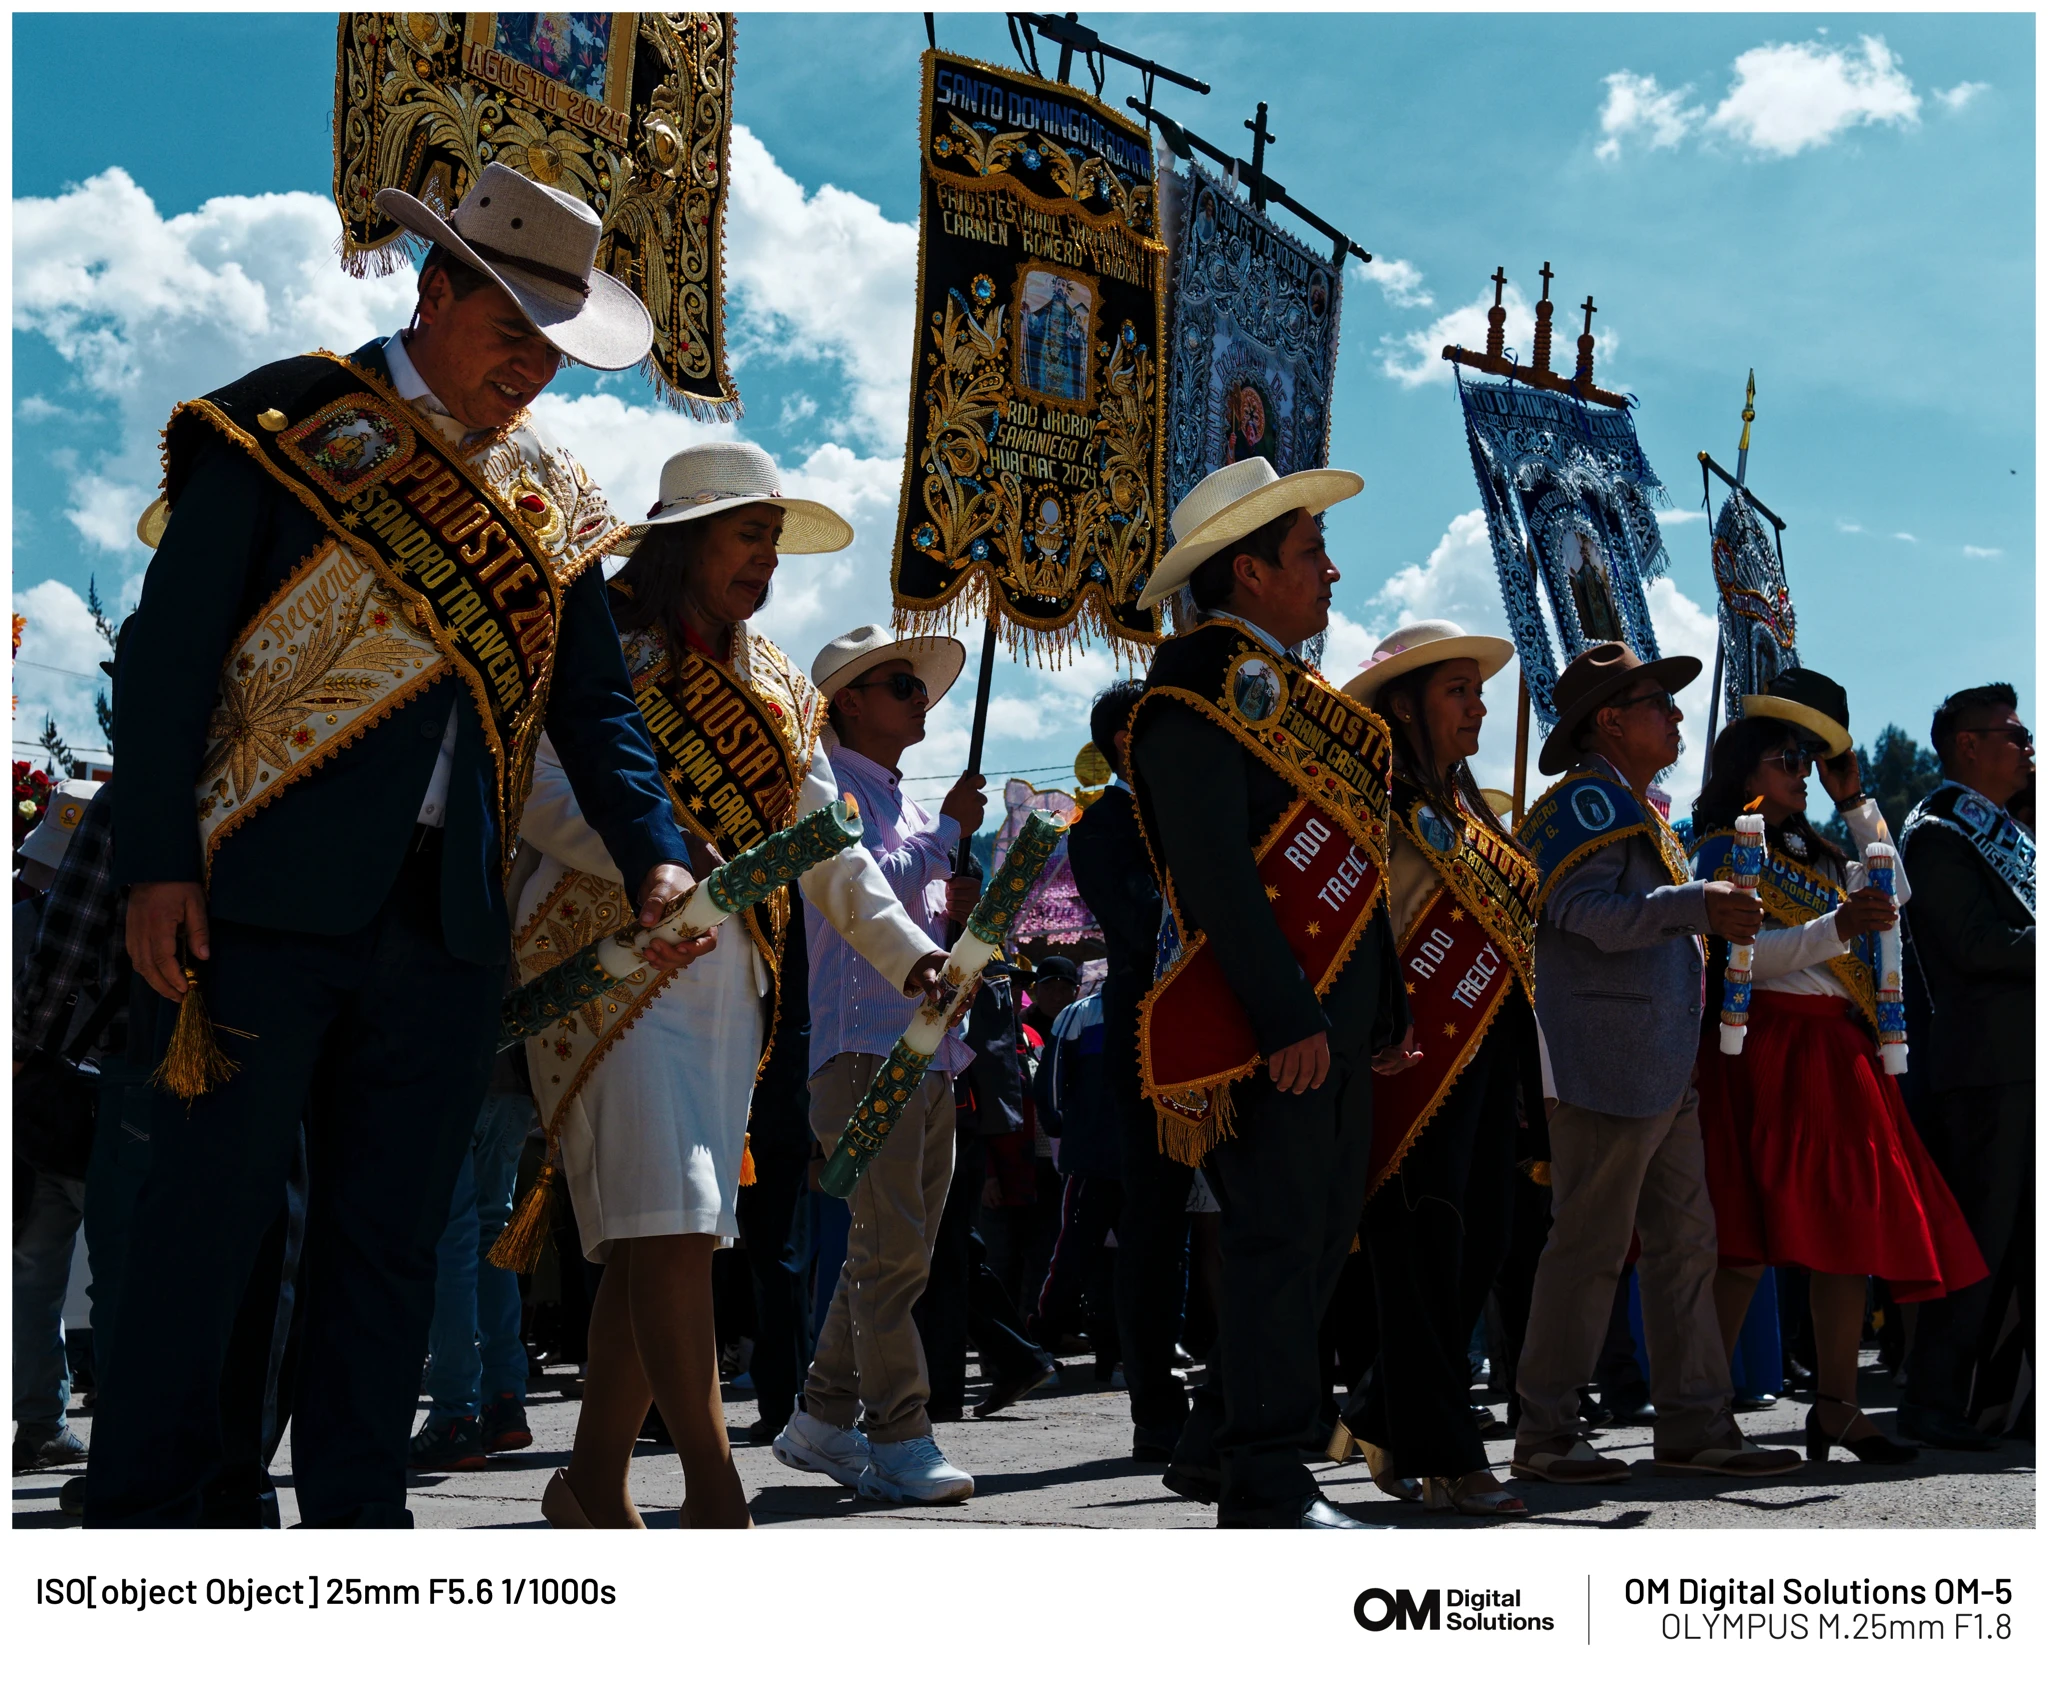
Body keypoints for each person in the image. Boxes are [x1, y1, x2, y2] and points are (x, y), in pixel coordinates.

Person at [88, 165, 703, 1529]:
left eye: (553, 351)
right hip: (247, 899)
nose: (532, 373)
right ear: (435, 292)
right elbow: (170, 653)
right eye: (511, 336)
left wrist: (651, 848)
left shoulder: (551, 499)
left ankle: (361, 1519)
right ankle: (162, 1515)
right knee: (210, 1232)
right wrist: (157, 861)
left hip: (442, 931)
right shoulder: (284, 421)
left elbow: (595, 704)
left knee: (384, 1243)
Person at [517, 447, 948, 1529]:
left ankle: (593, 1482)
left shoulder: (774, 686)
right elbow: (537, 784)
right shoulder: (593, 636)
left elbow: (827, 848)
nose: (763, 559)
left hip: (727, 979)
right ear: (684, 536)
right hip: (602, 955)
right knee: (666, 1222)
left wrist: (909, 953)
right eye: (744, 532)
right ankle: (715, 1494)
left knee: (668, 1226)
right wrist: (648, 855)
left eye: (770, 539)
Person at [1125, 456, 1411, 1528]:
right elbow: (1215, 878)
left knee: (1309, 1238)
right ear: (1247, 570)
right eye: (1308, 554)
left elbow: (1360, 859)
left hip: (1329, 1018)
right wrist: (1289, 1012)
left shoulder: (1303, 701)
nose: (1329, 572)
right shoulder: (1193, 691)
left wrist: (1374, 1008)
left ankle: (1222, 1439)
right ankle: (1265, 1480)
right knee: (1273, 1243)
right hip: (1265, 1024)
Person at [1510, 642, 1801, 1485]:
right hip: (1606, 1061)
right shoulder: (1589, 806)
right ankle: (1547, 1430)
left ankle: (1695, 1421)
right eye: (1658, 704)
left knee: (1685, 1244)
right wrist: (1694, 903)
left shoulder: (1628, 804)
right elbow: (1577, 909)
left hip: (1657, 1061)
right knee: (1593, 1246)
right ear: (1610, 720)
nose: (1677, 716)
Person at [1692, 674, 1986, 1464]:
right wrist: (1836, 926)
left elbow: (1901, 893)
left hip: (1836, 1049)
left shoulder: (1821, 851)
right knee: (1747, 1233)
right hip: (1765, 1048)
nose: (1801, 768)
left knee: (1848, 1232)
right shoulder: (1720, 847)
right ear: (1746, 770)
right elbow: (1738, 962)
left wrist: (1856, 802)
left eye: (1806, 758)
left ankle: (1838, 1407)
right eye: (1786, 757)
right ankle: (1703, 1413)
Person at [773, 625, 990, 1506]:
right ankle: (899, 1428)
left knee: (892, 1247)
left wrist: (953, 884)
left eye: (917, 685)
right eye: (901, 684)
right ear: (848, 703)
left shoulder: (896, 795)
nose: (919, 697)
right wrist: (946, 838)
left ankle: (824, 1414)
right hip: (867, 1049)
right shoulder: (831, 788)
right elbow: (862, 871)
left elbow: (912, 894)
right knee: (892, 1248)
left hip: (921, 1050)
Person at [1334, 620, 1541, 1516]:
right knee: (1426, 1246)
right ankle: (1449, 1453)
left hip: (1486, 1050)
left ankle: (1386, 1411)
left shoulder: (1470, 809)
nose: (1480, 704)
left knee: (1484, 1239)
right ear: (1406, 702)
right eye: (1458, 689)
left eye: (1479, 688)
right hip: (1412, 1054)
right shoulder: (1367, 793)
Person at [1899, 682, 2034, 1450]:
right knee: (1980, 1243)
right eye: (2013, 736)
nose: (2027, 748)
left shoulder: (2008, 835)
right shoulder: (1939, 834)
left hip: (2021, 1065)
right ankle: (1933, 1400)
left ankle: (2010, 1402)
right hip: (1986, 1072)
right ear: (1967, 747)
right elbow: (1975, 944)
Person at [1067, 679, 1190, 1460]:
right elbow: (1142, 921)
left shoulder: (1199, 808)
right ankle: (1156, 1404)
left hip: (1231, 1035)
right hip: (1151, 1040)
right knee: (1155, 1224)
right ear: (1126, 743)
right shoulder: (1102, 827)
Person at [13, 780, 116, 1475]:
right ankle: (113, 1434)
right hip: (111, 1095)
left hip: (39, 1101)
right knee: (115, 1275)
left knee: (33, 1271)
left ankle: (38, 1420)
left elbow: (42, 994)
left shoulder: (20, 913)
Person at [406, 1054, 540, 1472]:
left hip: (450, 1069)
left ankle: (456, 1415)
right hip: (514, 1071)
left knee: (453, 1237)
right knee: (490, 1228)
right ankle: (504, 1400)